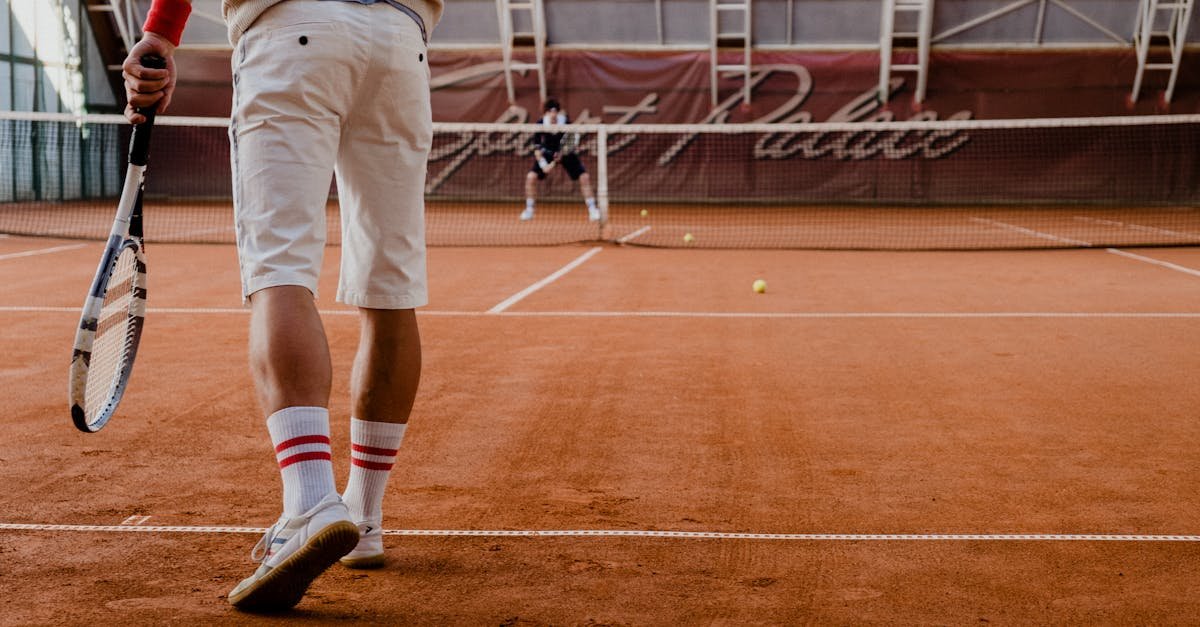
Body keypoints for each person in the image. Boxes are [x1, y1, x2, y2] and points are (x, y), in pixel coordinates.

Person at [122, 0, 442, 612]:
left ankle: (310, 502)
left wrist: (160, 31)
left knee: (281, 271)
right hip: (403, 40)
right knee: (391, 292)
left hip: (294, 30)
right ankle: (364, 518)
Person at [520, 98, 601, 222]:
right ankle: (529, 210)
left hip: (566, 154)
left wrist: (561, 154)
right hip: (546, 153)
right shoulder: (540, 124)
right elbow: (537, 148)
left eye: (555, 111)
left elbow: (570, 142)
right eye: (550, 111)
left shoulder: (566, 123)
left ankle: (593, 210)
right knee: (531, 177)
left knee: (584, 177)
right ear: (546, 113)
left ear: (557, 112)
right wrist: (543, 165)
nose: (553, 114)